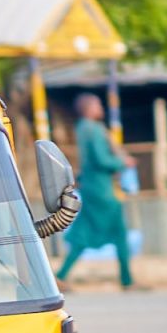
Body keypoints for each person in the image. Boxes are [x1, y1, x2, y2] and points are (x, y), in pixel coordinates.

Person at [55, 93, 143, 291]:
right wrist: (123, 162)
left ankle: (60, 275)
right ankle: (127, 280)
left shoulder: (82, 128)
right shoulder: (94, 129)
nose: (100, 107)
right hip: (103, 189)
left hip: (92, 187)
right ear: (89, 108)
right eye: (97, 105)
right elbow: (101, 159)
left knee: (83, 234)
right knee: (119, 232)